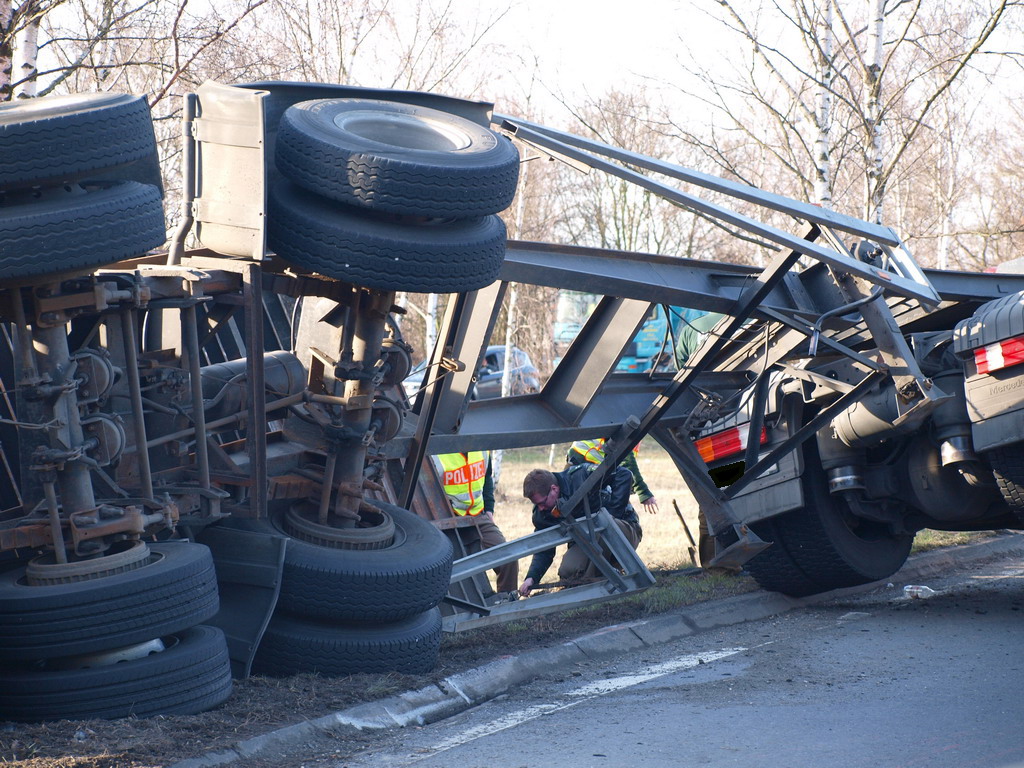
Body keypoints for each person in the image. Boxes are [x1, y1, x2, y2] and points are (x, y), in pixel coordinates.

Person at [518, 463, 642, 596]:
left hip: (623, 530)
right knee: (569, 573)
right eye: (537, 504)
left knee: (600, 530)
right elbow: (544, 548)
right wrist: (532, 578)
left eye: (542, 502)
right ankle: (600, 582)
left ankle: (601, 588)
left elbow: (623, 474)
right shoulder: (543, 514)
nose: (541, 508)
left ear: (554, 489)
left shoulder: (581, 476)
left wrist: (612, 516)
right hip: (587, 542)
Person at [434, 451, 518, 594]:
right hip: (447, 519)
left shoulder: (482, 449)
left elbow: (487, 477)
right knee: (451, 569)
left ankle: (507, 604)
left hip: (478, 516)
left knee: (508, 559)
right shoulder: (436, 455)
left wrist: (489, 508)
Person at [566, 438, 659, 513]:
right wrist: (643, 492)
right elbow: (626, 459)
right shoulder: (628, 419)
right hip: (583, 462)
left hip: (585, 462)